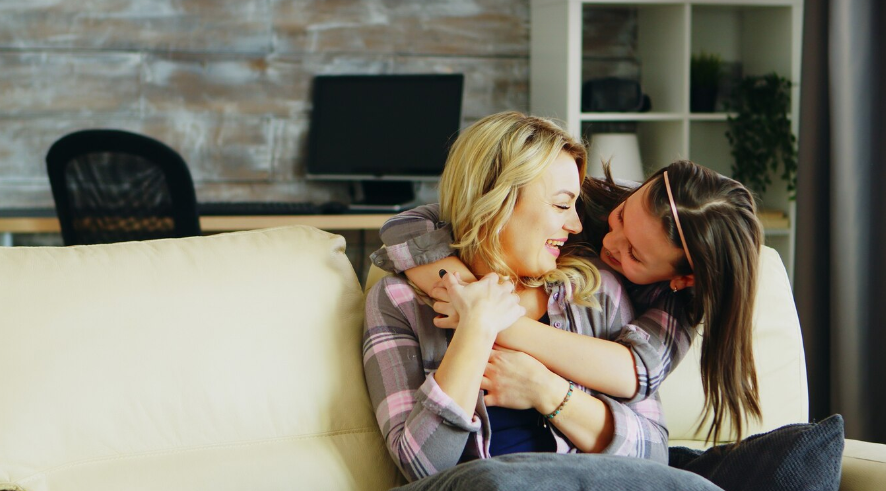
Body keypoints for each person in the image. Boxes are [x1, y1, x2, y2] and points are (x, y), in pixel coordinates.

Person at [362, 111, 670, 483]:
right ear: (498, 201)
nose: (575, 225)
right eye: (562, 205)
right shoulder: (398, 301)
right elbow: (422, 465)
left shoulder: (595, 291)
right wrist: (477, 327)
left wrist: (545, 390)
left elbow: (656, 457)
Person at [372, 160, 764, 446]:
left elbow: (634, 373)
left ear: (683, 279)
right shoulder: (586, 204)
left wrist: (491, 319)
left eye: (635, 254)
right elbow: (406, 227)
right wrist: (475, 294)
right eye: (621, 217)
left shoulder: (656, 299)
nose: (609, 242)